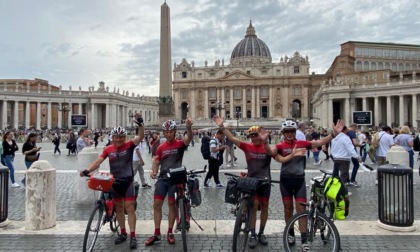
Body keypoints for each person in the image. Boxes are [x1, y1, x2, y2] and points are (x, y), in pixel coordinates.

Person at [213, 116, 304, 248]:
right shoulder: (247, 146)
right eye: (252, 136)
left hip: (265, 182)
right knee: (254, 207)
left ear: (261, 136)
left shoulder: (268, 149)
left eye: (257, 136)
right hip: (252, 182)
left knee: (265, 206)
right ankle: (253, 233)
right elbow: (232, 138)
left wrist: (291, 156)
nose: (255, 138)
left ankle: (261, 232)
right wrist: (222, 126)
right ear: (250, 137)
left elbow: (280, 159)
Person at [263, 119, 343, 251]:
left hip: (299, 180)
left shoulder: (301, 143)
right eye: (287, 131)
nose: (289, 134)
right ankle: (290, 234)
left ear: (295, 132)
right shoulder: (280, 146)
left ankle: (304, 239)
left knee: (301, 210)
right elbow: (271, 153)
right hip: (285, 180)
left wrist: (333, 135)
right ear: (283, 133)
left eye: (292, 131)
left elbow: (319, 142)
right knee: (288, 209)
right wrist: (265, 142)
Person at [80, 115, 145, 249]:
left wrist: (140, 125)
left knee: (130, 208)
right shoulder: (108, 149)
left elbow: (140, 137)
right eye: (116, 137)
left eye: (121, 137)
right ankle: (123, 233)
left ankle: (133, 235)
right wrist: (87, 170)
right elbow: (98, 161)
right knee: (119, 208)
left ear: (124, 138)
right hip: (114, 182)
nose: (119, 139)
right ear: (112, 138)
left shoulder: (129, 145)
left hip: (128, 181)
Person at [145, 118, 193, 246]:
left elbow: (188, 139)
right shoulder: (160, 147)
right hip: (163, 178)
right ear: (163, 133)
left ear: (174, 131)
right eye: (166, 132)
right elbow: (156, 161)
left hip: (175, 179)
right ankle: (156, 233)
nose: (168, 134)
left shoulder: (180, 143)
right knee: (157, 205)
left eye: (171, 131)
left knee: (172, 205)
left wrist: (188, 128)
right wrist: (153, 171)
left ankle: (170, 231)